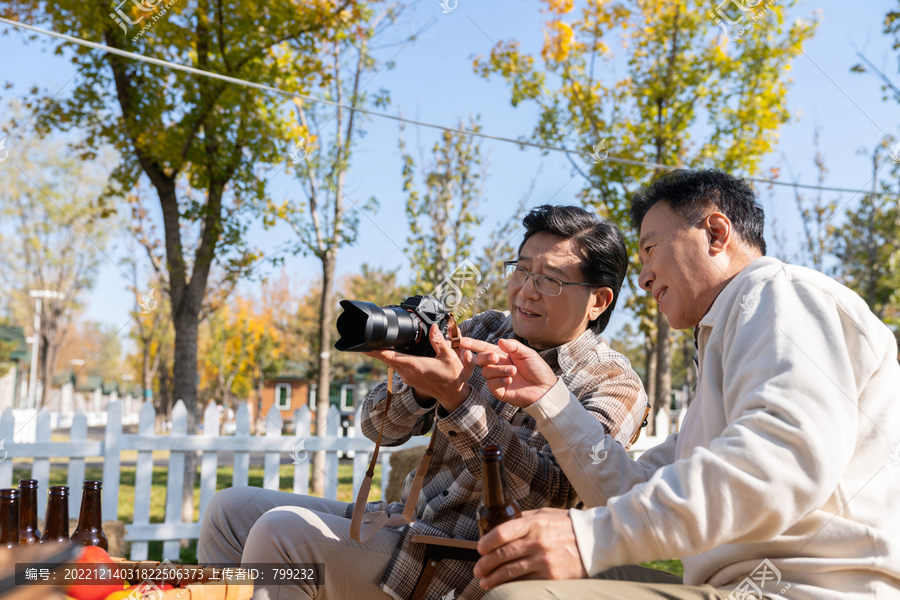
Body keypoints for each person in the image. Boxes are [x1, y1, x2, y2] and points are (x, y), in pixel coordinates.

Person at [464, 169, 900, 600]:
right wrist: (549, 399)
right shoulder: (726, 346)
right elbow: (630, 488)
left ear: (715, 232)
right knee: (523, 582)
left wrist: (589, 539)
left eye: (651, 249)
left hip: (804, 588)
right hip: (732, 587)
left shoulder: (783, 294)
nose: (643, 277)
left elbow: (781, 461)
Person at [198, 205, 650, 600]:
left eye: (549, 279)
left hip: (465, 564)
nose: (526, 290)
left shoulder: (614, 384)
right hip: (406, 523)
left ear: (598, 300)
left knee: (283, 535)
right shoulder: (488, 329)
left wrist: (458, 397)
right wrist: (417, 387)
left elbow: (548, 496)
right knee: (229, 511)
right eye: (522, 269)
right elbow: (379, 429)